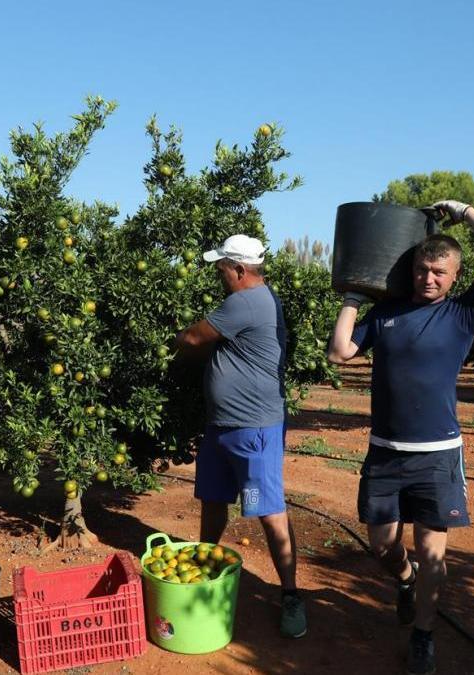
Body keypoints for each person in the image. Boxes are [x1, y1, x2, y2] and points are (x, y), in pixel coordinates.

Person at [327, 200, 474, 675]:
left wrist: (466, 211)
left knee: (434, 555)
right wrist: (352, 298)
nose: (428, 278)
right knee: (383, 546)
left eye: (438, 271)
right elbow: (340, 352)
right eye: (421, 269)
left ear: (454, 276)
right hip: (385, 454)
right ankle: (404, 581)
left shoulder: (464, 314)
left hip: (436, 456)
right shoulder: (386, 312)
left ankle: (424, 637)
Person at [173, 233, 307, 639]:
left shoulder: (246, 301)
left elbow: (193, 337)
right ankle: (203, 561)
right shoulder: (255, 299)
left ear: (239, 270)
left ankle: (290, 595)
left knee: (268, 511)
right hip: (223, 428)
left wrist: (176, 344)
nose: (219, 275)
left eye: (222, 269)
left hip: (253, 432)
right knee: (213, 500)